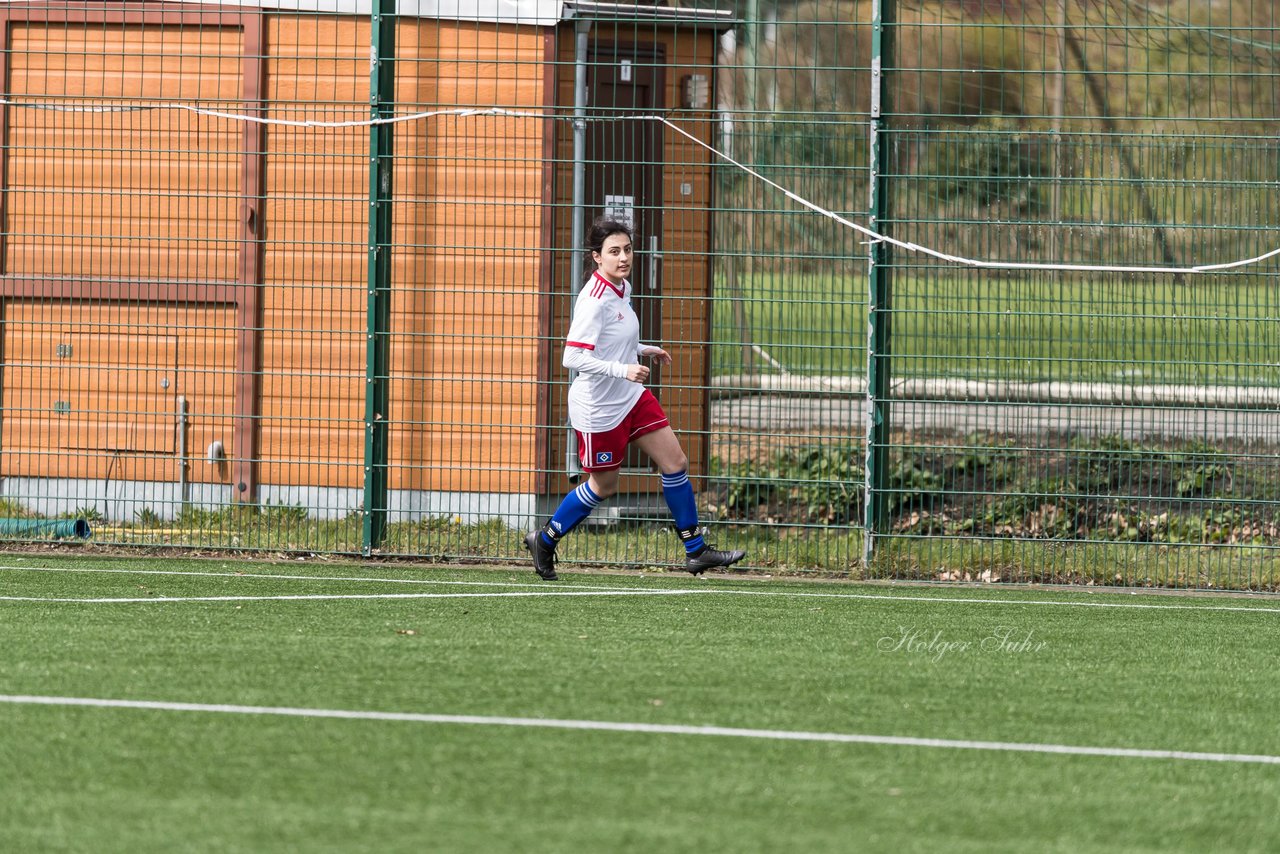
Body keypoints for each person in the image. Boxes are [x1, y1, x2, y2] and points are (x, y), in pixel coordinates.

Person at [524, 218, 746, 581]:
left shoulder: (621, 288)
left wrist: (642, 350)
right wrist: (622, 369)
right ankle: (545, 538)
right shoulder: (593, 300)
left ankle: (696, 550)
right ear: (597, 257)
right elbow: (572, 358)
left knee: (675, 461)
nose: (624, 257)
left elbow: (613, 339)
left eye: (627, 249)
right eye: (614, 251)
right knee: (603, 486)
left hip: (630, 397)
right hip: (599, 408)